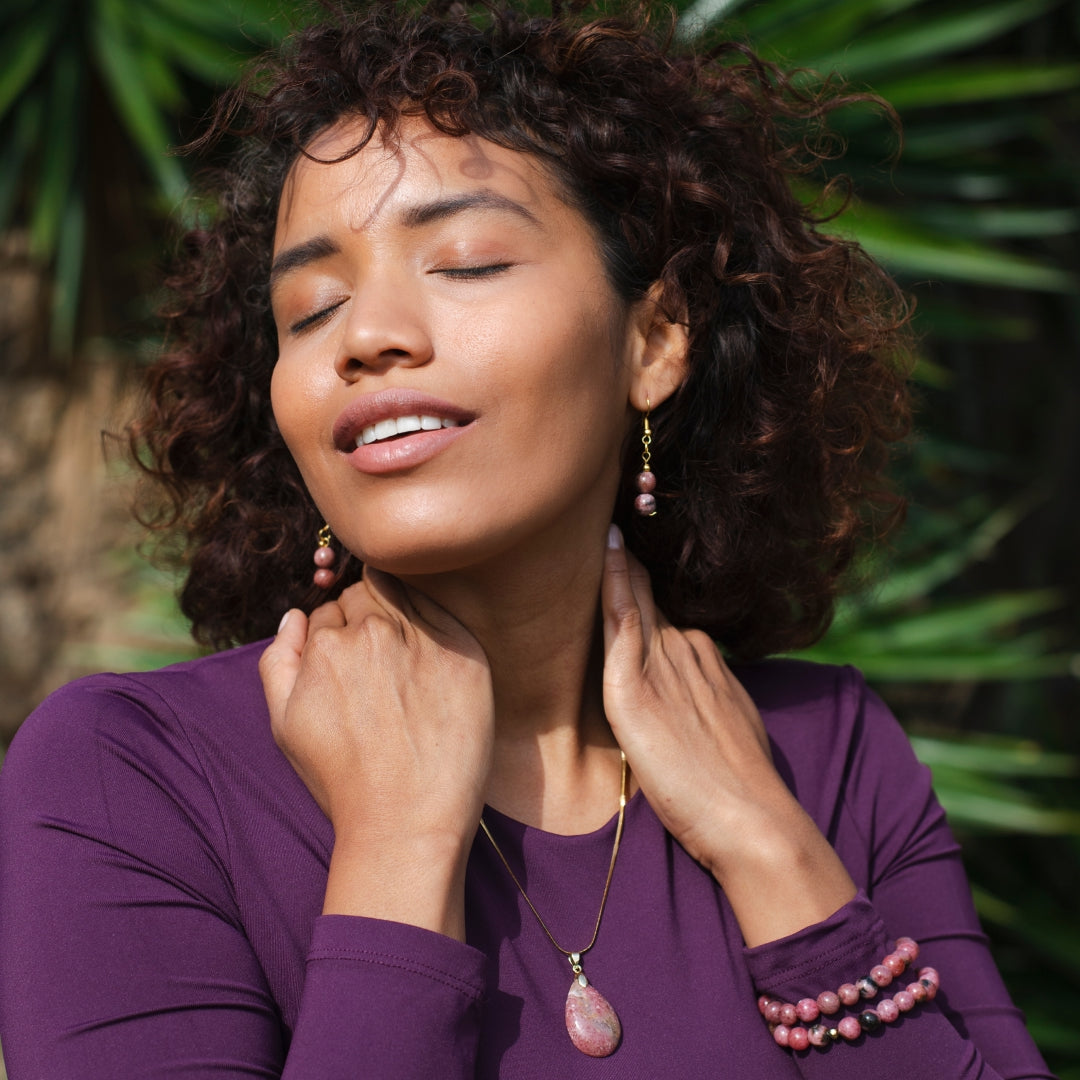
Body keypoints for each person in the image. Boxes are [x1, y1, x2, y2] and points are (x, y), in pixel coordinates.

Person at [0, 2, 1055, 1077]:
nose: (367, 336)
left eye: (462, 263)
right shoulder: (130, 777)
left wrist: (770, 849)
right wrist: (398, 855)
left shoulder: (826, 757)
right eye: (311, 308)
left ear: (653, 340)